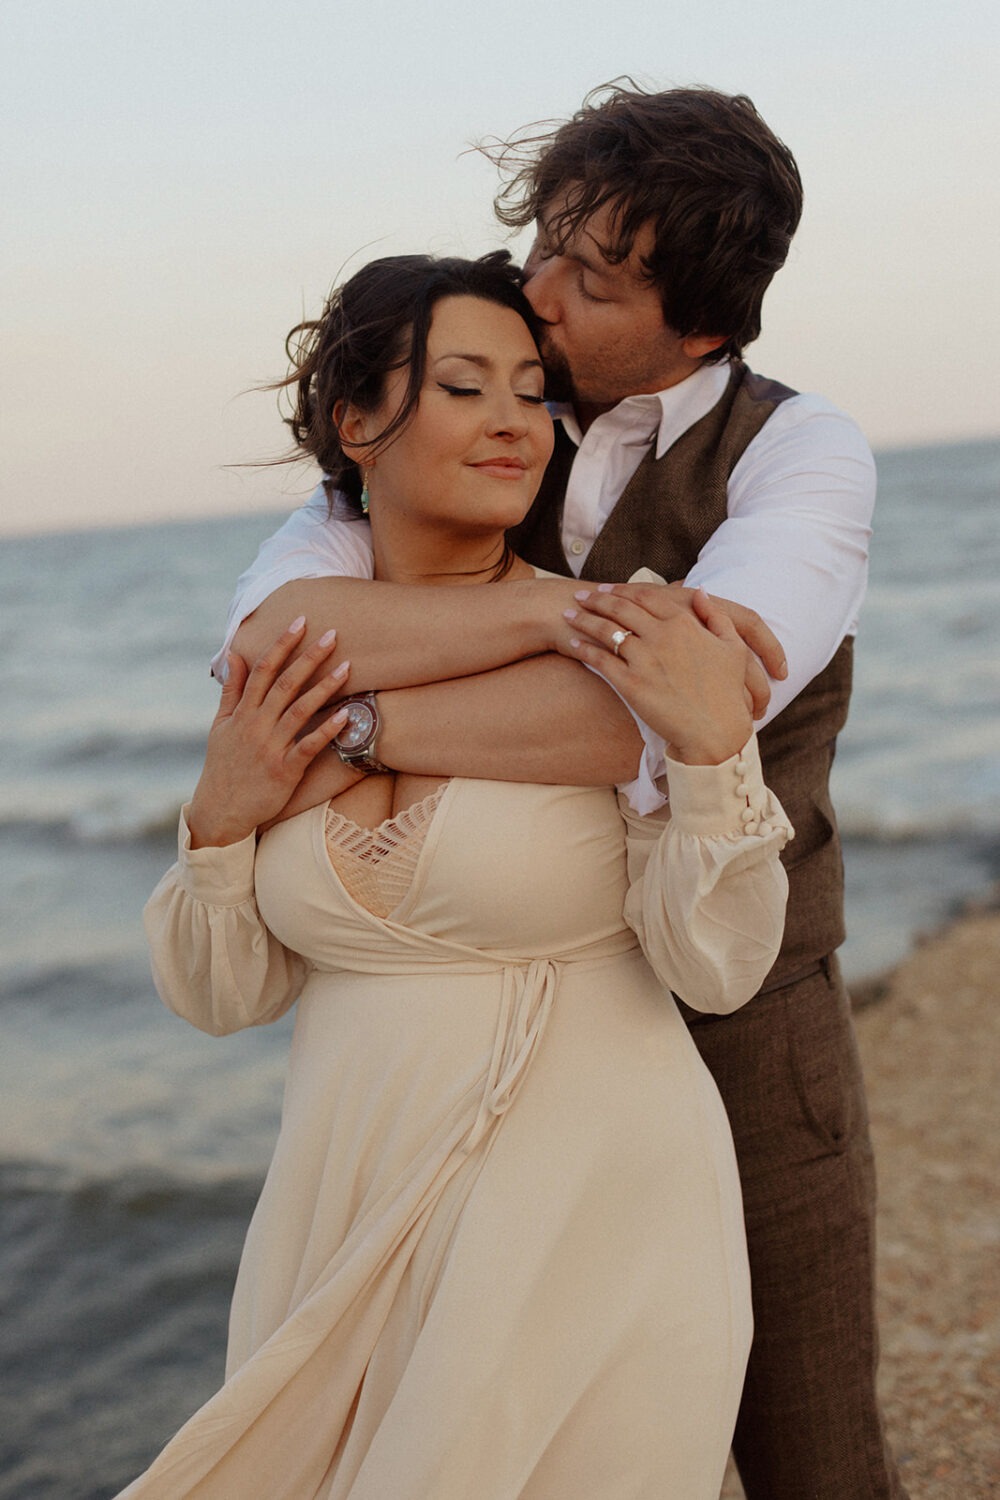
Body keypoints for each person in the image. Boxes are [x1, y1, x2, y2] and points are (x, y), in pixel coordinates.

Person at [218, 85, 906, 1500]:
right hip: (491, 1025)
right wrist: (565, 633)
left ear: (702, 319)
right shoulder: (453, 412)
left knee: (816, 1459)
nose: (533, 297)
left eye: (587, 280)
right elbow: (262, 647)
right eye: (540, 245)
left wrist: (355, 721)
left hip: (740, 1009)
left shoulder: (801, 454)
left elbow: (676, 719)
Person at [119, 252, 792, 1498]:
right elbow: (223, 996)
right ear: (357, 423)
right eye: (464, 386)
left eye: (532, 391)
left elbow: (720, 959)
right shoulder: (291, 654)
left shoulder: (629, 645)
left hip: (594, 1201)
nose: (511, 423)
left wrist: (703, 756)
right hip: (343, 1201)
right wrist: (218, 824)